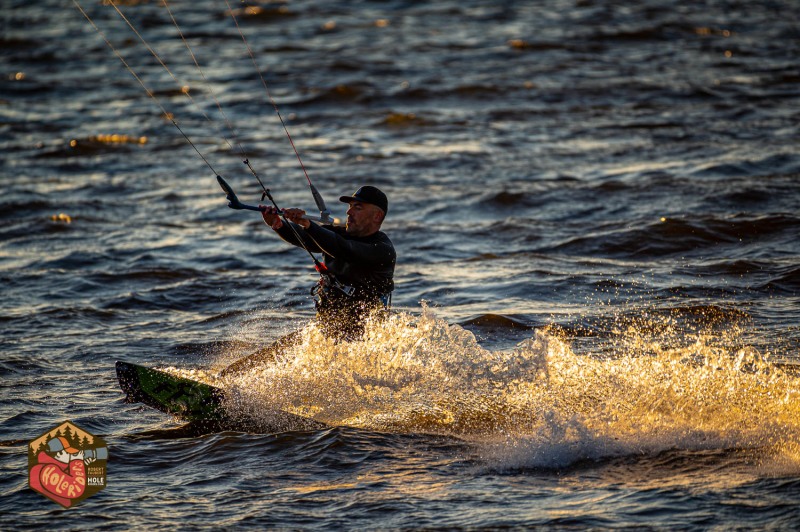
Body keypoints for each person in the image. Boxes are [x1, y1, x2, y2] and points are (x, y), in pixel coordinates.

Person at [221, 185, 395, 375]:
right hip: (325, 331)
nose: (349, 211)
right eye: (350, 206)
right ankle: (224, 382)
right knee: (247, 367)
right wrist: (278, 224)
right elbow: (309, 239)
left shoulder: (382, 249)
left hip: (360, 342)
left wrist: (309, 225)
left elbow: (344, 249)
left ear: (377, 216)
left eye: (357, 207)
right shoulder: (339, 234)